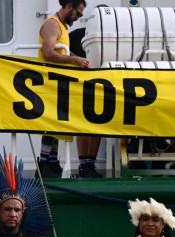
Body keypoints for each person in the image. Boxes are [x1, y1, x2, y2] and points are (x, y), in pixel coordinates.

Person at [36, 0, 90, 179]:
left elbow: (62, 52)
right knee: (50, 126)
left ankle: (52, 162)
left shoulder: (61, 26)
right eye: (78, 13)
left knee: (56, 126)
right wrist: (75, 60)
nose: (78, 18)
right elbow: (48, 53)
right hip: (49, 82)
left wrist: (78, 59)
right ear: (69, 6)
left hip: (58, 83)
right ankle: (43, 164)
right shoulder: (52, 24)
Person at [69, 5, 105, 178]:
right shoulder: (76, 35)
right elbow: (62, 51)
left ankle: (90, 163)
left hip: (103, 86)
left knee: (98, 123)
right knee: (83, 124)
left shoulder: (113, 38)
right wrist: (76, 59)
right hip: (80, 85)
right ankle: (84, 164)